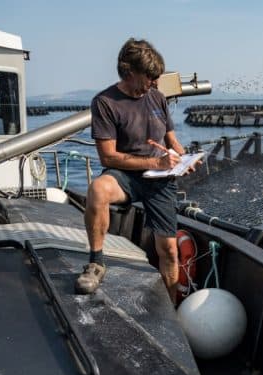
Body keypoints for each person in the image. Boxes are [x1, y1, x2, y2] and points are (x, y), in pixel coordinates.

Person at [76, 38, 194, 302]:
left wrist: (186, 158)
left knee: (170, 252)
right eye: (149, 77)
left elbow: (172, 141)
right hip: (126, 177)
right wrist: (154, 163)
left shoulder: (158, 98)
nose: (153, 83)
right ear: (128, 71)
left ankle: (171, 310)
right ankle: (96, 263)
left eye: (156, 78)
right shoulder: (105, 102)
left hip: (160, 180)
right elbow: (108, 156)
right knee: (98, 189)